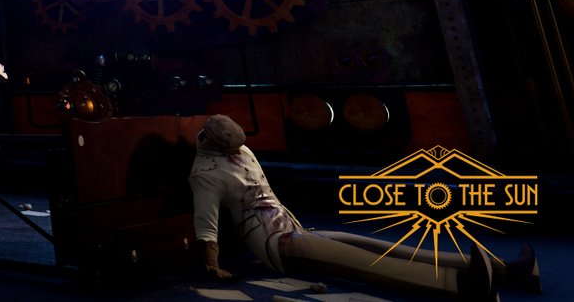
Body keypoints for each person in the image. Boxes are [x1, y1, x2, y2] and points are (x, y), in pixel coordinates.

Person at [189, 113, 540, 301]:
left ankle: (509, 271)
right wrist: (212, 266)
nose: (237, 153)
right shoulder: (205, 174)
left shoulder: (242, 149)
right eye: (229, 149)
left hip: (294, 229)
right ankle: (460, 285)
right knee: (364, 261)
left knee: (380, 246)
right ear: (210, 142)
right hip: (275, 244)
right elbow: (207, 225)